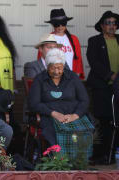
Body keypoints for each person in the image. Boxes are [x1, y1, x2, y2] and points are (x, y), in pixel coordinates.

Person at [28, 48, 93, 159]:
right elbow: (34, 104)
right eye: (53, 68)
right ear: (47, 66)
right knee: (51, 131)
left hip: (72, 116)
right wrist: (54, 113)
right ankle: (58, 161)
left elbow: (84, 100)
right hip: (50, 117)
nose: (57, 71)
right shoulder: (40, 80)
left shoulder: (72, 77)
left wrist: (75, 115)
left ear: (63, 66)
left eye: (60, 68)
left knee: (83, 130)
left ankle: (79, 161)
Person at [87, 11, 119, 164]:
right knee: (104, 119)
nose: (112, 26)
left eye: (114, 23)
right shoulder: (94, 41)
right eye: (108, 23)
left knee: (116, 120)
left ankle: (113, 153)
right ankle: (101, 155)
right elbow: (94, 62)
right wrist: (110, 75)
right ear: (102, 26)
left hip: (118, 87)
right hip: (102, 87)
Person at [41, 8, 84, 80]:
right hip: (51, 78)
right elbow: (42, 60)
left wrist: (76, 78)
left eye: (63, 23)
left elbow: (78, 61)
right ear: (52, 24)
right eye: (57, 24)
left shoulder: (74, 39)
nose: (60, 26)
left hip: (70, 78)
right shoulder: (47, 39)